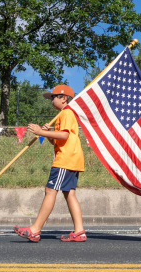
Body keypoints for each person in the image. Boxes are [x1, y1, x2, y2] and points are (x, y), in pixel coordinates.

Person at [14, 84, 87, 242]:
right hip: (72, 159)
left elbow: (65, 135)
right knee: (69, 193)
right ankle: (79, 231)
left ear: (63, 98)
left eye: (53, 97)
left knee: (50, 191)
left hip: (65, 160)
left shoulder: (66, 113)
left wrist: (41, 132)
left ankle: (35, 230)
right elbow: (57, 140)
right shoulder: (64, 114)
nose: (51, 100)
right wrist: (47, 134)